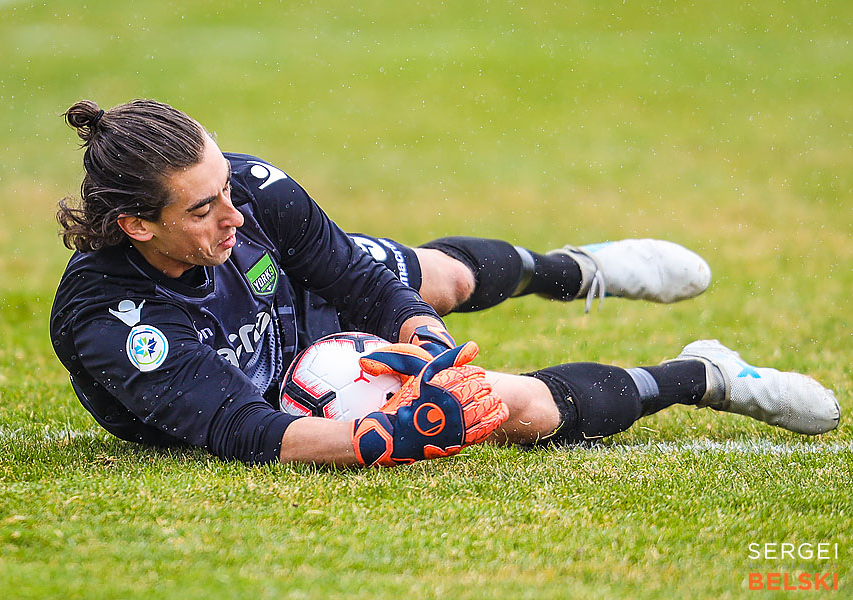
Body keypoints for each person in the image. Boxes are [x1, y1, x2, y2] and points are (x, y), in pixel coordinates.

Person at [50, 99, 840, 467]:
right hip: (280, 393)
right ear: (138, 226)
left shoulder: (250, 191)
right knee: (517, 409)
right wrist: (385, 435)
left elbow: (352, 280)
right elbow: (245, 432)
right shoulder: (114, 319)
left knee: (443, 281)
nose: (236, 212)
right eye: (204, 207)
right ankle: (705, 375)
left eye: (228, 184)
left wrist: (418, 333)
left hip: (296, 304)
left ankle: (576, 269)